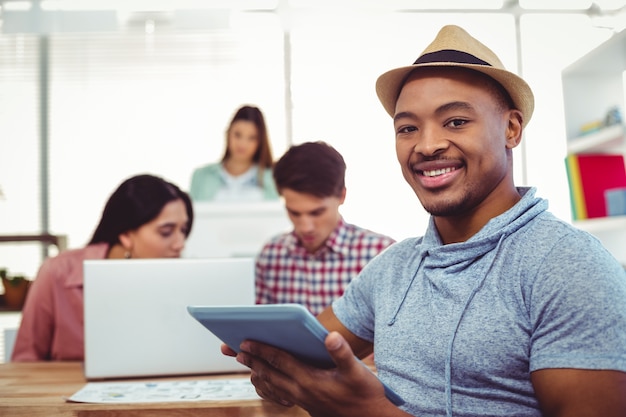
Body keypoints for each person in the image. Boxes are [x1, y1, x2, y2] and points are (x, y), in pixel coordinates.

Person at [223, 25, 626, 416]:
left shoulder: (571, 269)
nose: (427, 145)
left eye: (456, 121)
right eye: (408, 128)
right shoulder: (392, 268)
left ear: (512, 128)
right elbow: (308, 356)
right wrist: (273, 365)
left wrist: (365, 412)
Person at [12, 174, 194, 361]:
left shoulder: (182, 279)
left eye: (183, 230)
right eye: (166, 232)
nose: (180, 243)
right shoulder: (58, 271)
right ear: (126, 235)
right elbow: (25, 359)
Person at [255, 141, 395, 315]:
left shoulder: (381, 254)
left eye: (317, 212)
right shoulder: (271, 255)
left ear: (342, 196)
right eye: (294, 213)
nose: (306, 227)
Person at [189, 105, 279, 202]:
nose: (242, 144)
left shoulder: (271, 179)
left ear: (260, 142)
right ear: (228, 133)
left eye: (252, 138)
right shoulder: (202, 176)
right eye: (237, 135)